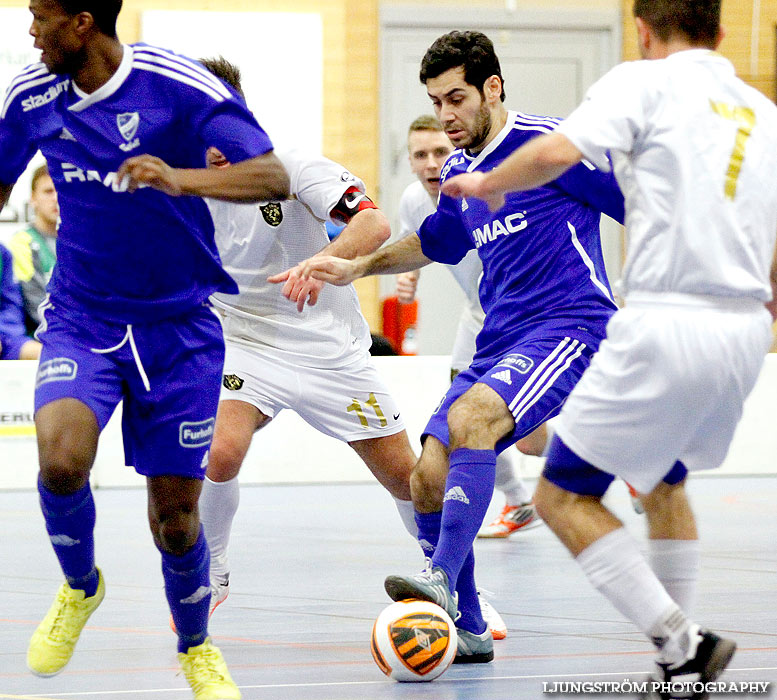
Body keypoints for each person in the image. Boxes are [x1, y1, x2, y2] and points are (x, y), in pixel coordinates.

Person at [442, 1, 777, 696]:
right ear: (718, 30)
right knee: (662, 479)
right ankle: (677, 668)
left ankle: (679, 640)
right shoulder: (759, 110)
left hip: (666, 318)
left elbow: (560, 150)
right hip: (746, 330)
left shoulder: (640, 80)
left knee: (562, 496)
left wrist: (486, 181)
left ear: (644, 30)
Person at [290, 30, 624, 663]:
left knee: (472, 420)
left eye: (456, 98)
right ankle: (468, 626)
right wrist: (358, 266)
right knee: (425, 478)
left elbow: (639, 204)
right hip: (500, 338)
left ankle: (439, 580)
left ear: (491, 89)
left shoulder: (551, 148)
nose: (445, 115)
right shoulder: (460, 172)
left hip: (570, 323)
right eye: (435, 101)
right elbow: (433, 242)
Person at [0, 2, 289, 698]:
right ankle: (79, 587)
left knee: (175, 521)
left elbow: (271, 175)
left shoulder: (180, 86)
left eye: (41, 18)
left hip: (180, 331)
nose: (30, 31)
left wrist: (179, 177)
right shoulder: (30, 94)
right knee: (62, 463)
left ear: (82, 22)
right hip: (83, 318)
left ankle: (195, 645)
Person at [396, 114, 544, 540]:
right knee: (461, 422)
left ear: (457, 151)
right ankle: (518, 502)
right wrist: (411, 277)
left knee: (531, 442)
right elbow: (421, 243)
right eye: (419, 155)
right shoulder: (412, 199)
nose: (430, 164)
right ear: (409, 161)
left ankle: (604, 463)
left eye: (440, 152)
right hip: (475, 319)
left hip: (521, 318)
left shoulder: (488, 187)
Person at [9, 163, 58, 333]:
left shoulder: (77, 242)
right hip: (40, 337)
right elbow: (36, 307)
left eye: (59, 190)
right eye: (48, 191)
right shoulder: (23, 242)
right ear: (33, 199)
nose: (55, 198)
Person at [1, 242, 41, 359]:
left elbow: (10, 304)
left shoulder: (3, 253)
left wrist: (3, 333)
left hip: (6, 337)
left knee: (51, 357)